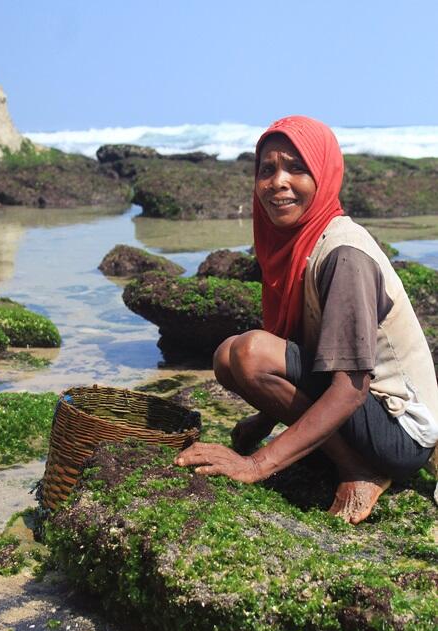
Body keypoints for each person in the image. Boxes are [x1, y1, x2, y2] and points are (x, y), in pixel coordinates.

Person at [174, 115, 438, 524]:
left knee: (249, 353)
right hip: (370, 412)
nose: (278, 181)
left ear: (325, 176)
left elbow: (350, 389)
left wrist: (257, 464)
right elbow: (308, 350)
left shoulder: (344, 254)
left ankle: (360, 471)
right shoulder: (299, 242)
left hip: (401, 431)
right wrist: (265, 418)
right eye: (267, 169)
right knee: (229, 357)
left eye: (297, 168)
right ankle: (342, 457)